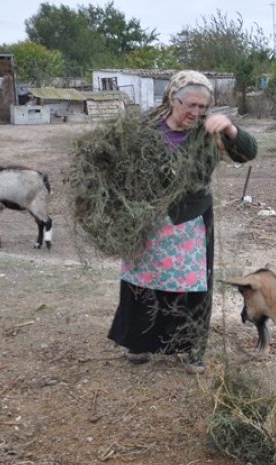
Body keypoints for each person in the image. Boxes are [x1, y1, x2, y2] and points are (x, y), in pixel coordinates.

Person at [107, 70, 258, 373]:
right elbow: (120, 174)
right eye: (190, 105)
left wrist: (230, 129)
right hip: (146, 218)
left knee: (193, 285)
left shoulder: (209, 131)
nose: (196, 112)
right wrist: (125, 226)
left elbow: (248, 152)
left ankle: (192, 349)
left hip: (191, 219)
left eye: (203, 107)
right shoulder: (145, 128)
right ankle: (139, 342)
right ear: (172, 99)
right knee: (141, 281)